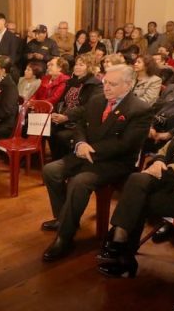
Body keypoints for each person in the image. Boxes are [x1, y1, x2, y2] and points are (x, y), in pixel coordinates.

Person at [41, 65, 152, 262]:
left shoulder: (140, 109)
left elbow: (125, 145)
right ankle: (64, 219)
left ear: (128, 85)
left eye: (112, 84)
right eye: (105, 82)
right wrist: (81, 143)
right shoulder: (97, 99)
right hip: (85, 152)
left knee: (79, 182)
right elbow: (80, 125)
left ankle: (64, 238)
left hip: (114, 163)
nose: (106, 87)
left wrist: (91, 149)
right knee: (51, 170)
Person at [97, 90, 174, 278]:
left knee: (136, 199)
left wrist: (165, 170)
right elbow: (165, 148)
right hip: (172, 185)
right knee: (137, 182)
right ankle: (121, 246)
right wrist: (160, 161)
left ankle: (121, 247)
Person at [48, 53, 102, 160]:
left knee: (62, 136)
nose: (77, 67)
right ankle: (56, 160)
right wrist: (56, 113)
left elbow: (88, 108)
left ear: (89, 67)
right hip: (65, 117)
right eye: (76, 64)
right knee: (48, 130)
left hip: (80, 122)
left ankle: (65, 162)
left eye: (81, 65)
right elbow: (61, 101)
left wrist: (67, 116)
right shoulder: (72, 82)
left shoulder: (95, 84)